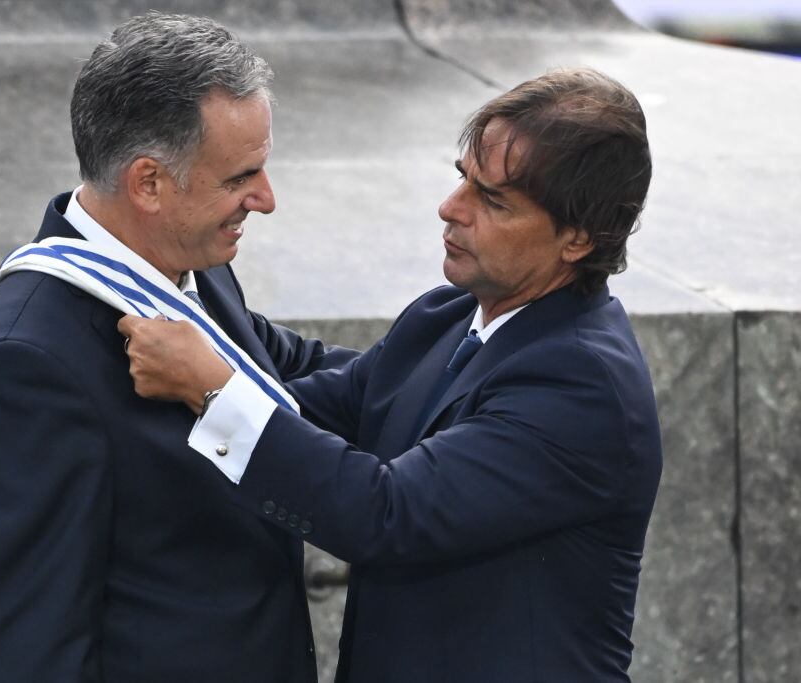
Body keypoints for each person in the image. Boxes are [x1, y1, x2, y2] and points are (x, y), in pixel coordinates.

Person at [120, 67, 663, 682]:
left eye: (492, 200)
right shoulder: (451, 313)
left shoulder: (582, 384)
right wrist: (75, 309)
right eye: (463, 179)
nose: (450, 208)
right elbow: (305, 389)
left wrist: (210, 386)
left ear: (578, 238)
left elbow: (387, 514)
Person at [0, 12, 353, 682]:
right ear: (149, 183)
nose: (267, 199)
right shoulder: (24, 364)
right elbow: (32, 652)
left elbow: (308, 375)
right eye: (240, 178)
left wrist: (483, 363)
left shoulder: (195, 268)